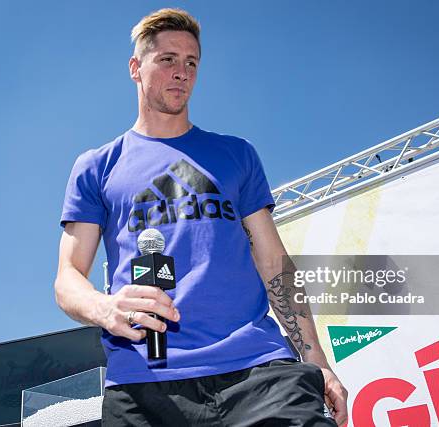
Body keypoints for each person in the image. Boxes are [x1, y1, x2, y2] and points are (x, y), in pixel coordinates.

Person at [54, 8, 348, 426]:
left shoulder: (236, 155)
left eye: (191, 62)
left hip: (258, 370)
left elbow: (274, 263)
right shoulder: (97, 166)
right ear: (136, 68)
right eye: (168, 60)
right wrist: (105, 309)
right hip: (144, 380)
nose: (182, 72)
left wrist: (316, 359)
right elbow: (67, 278)